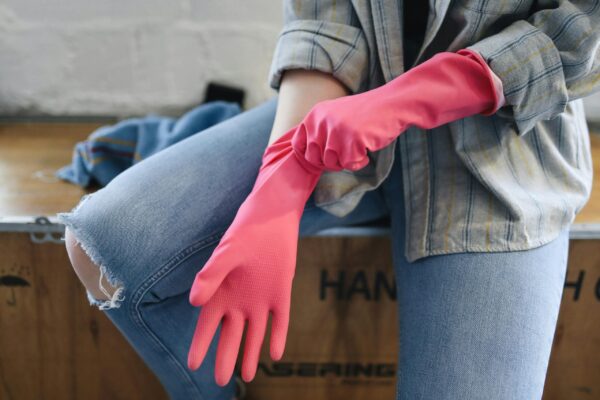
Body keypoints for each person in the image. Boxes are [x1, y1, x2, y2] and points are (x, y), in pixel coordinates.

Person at [58, 1, 599, 399]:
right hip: (340, 117)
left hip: (502, 152)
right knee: (104, 245)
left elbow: (578, 33)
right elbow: (323, 24)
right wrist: (280, 184)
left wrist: (420, 94)